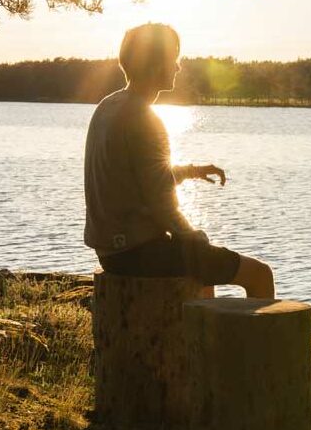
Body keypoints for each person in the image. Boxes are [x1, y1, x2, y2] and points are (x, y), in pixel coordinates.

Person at [84, 23, 274, 298]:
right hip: (139, 253)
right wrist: (193, 235)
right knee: (258, 274)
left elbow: (141, 178)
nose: (178, 66)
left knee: (201, 260)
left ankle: (205, 336)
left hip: (110, 252)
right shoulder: (144, 118)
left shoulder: (109, 106)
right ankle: (260, 342)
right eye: (173, 58)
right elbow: (163, 204)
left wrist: (191, 171)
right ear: (155, 64)